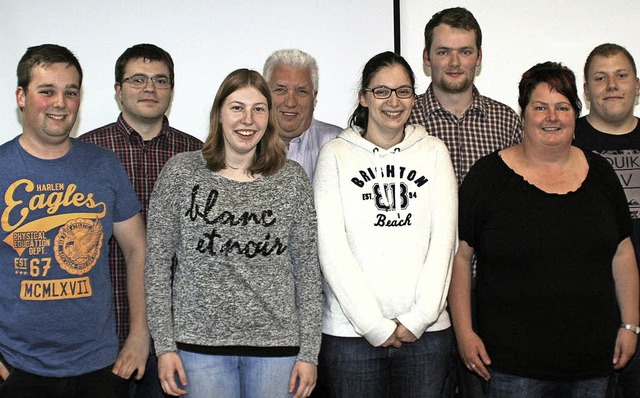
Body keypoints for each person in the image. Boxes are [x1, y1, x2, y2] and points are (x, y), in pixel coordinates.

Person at [449, 61, 639, 397]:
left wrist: (630, 325)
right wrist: (464, 332)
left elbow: (622, 252)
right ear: (523, 115)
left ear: (574, 117)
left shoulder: (602, 174)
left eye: (562, 108)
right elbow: (460, 258)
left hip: (593, 362)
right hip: (511, 367)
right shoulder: (488, 176)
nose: (552, 117)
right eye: (540, 107)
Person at [145, 68, 322, 398]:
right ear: (219, 114)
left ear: (268, 117)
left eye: (258, 109)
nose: (248, 120)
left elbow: (309, 272)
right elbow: (156, 267)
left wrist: (309, 353)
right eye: (237, 107)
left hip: (277, 348)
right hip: (198, 349)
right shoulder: (181, 173)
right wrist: (164, 346)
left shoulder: (292, 180)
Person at [0, 44, 148, 397]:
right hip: (17, 367)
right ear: (21, 96)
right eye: (46, 91)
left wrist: (140, 335)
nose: (60, 103)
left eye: (71, 92)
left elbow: (137, 249)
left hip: (100, 367)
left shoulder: (104, 165)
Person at [314, 51, 457, 397]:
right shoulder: (335, 154)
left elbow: (444, 242)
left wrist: (419, 318)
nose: (393, 102)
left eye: (403, 91)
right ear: (363, 97)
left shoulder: (434, 152)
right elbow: (331, 247)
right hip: (351, 336)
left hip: (427, 334)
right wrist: (374, 326)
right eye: (381, 91)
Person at [408, 8, 523, 397]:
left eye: (465, 51)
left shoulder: (508, 123)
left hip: (494, 293)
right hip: (421, 294)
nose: (455, 62)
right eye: (443, 52)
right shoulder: (401, 121)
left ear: (479, 57)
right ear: (426, 59)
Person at [79, 43, 202, 397]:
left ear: (172, 91)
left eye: (160, 80)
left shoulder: (197, 156)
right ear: (118, 90)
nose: (150, 88)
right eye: (138, 80)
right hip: (102, 326)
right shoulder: (87, 152)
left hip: (179, 333)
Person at [574, 43, 640, 398]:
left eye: (621, 76)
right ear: (586, 91)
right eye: (600, 78)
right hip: (587, 311)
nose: (611, 85)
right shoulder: (566, 142)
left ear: (638, 85)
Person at [263, 48, 341, 181]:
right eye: (281, 90)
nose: (290, 102)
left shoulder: (339, 144)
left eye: (301, 91)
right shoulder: (244, 145)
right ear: (264, 93)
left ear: (314, 96)